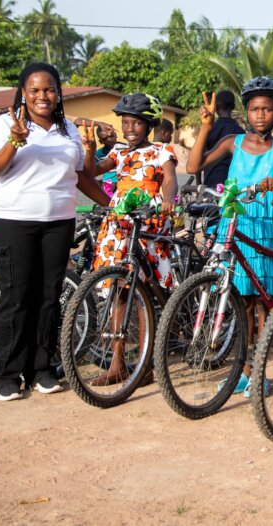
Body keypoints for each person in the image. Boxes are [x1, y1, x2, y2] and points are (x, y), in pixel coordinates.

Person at [0, 62, 110, 401]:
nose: (43, 96)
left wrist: (109, 203)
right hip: (14, 222)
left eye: (49, 89)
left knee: (49, 297)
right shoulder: (5, 125)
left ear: (57, 93)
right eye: (35, 90)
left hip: (58, 222)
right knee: (16, 297)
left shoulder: (68, 128)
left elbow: (82, 175)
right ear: (23, 93)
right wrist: (14, 140)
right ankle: (7, 374)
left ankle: (41, 368)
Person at [187, 77, 273, 397]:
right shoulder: (232, 142)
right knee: (240, 302)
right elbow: (194, 165)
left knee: (264, 303)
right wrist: (205, 127)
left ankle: (259, 371)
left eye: (267, 109)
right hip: (234, 223)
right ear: (246, 112)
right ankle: (243, 371)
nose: (260, 115)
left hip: (267, 226)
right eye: (254, 109)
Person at [87, 93, 178, 385]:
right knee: (119, 292)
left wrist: (169, 200)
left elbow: (171, 180)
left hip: (149, 222)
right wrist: (90, 149)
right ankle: (118, 365)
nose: (129, 128)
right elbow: (90, 171)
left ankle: (145, 364)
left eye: (136, 123)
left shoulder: (163, 150)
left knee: (146, 293)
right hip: (119, 225)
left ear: (149, 124)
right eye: (125, 122)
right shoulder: (118, 153)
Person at [198, 90, 244, 187]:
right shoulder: (240, 132)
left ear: (216, 108)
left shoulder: (208, 129)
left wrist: (198, 184)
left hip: (210, 183)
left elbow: (198, 157)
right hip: (232, 186)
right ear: (233, 107)